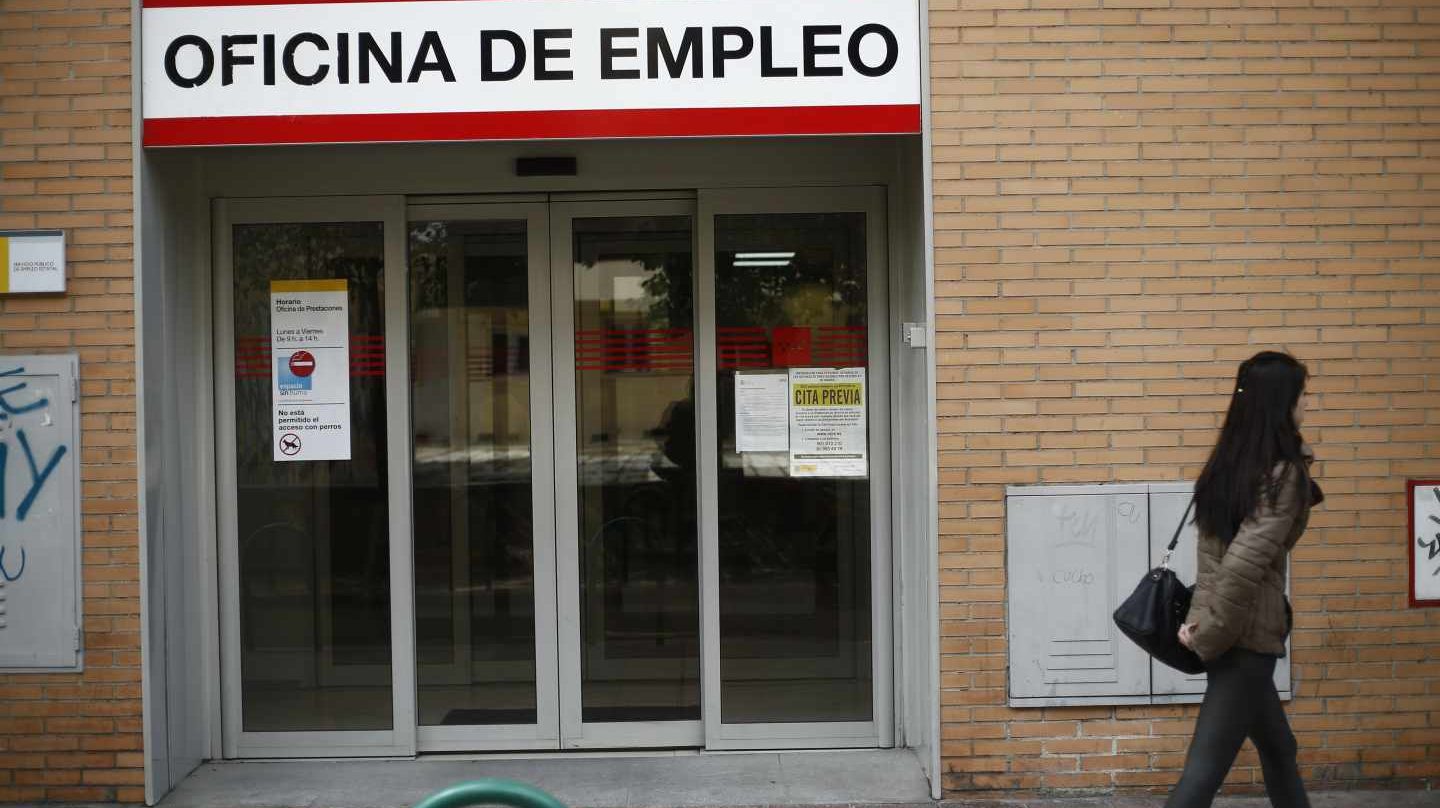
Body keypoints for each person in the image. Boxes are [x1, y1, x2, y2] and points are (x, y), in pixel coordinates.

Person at [1169, 350, 1322, 808]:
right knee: (1203, 772)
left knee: (1279, 748)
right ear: (1282, 402)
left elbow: (1212, 559)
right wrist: (1209, 632)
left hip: (1232, 629)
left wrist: (1200, 620)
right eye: (1302, 396)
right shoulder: (1282, 475)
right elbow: (1239, 566)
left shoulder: (1229, 466)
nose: (1306, 405)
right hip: (1244, 640)